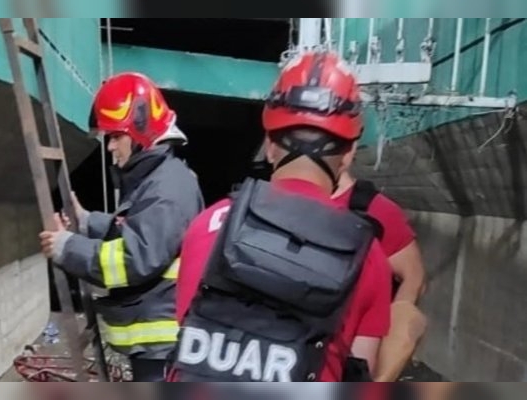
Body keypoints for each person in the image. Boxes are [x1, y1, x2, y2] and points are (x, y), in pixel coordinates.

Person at [168, 50, 392, 382]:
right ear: (347, 156)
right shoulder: (367, 256)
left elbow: (189, 332)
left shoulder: (210, 225)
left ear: (270, 146)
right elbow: (361, 368)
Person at [39, 72, 204, 381]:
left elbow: (135, 258)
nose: (110, 147)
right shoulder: (160, 179)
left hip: (161, 349)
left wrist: (67, 248)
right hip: (156, 345)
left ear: (141, 128)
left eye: (116, 136)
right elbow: (136, 228)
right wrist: (86, 220)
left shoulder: (166, 188)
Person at [332, 160, 428, 382]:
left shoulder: (374, 210)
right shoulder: (279, 201)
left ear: (348, 151)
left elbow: (413, 278)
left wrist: (386, 350)